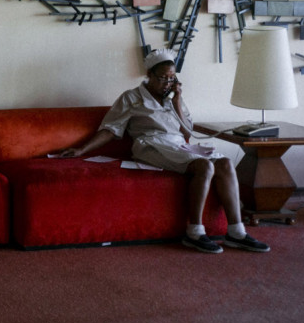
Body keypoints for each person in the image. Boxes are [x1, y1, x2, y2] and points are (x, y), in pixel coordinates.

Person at [59, 49, 270, 254]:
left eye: (171, 79)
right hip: (149, 145)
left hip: (178, 144)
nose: (167, 83)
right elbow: (110, 129)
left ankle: (236, 231)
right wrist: (81, 150)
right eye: (162, 78)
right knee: (204, 166)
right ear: (149, 75)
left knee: (224, 163)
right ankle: (194, 232)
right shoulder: (131, 98)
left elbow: (187, 129)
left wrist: (177, 100)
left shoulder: (172, 98)